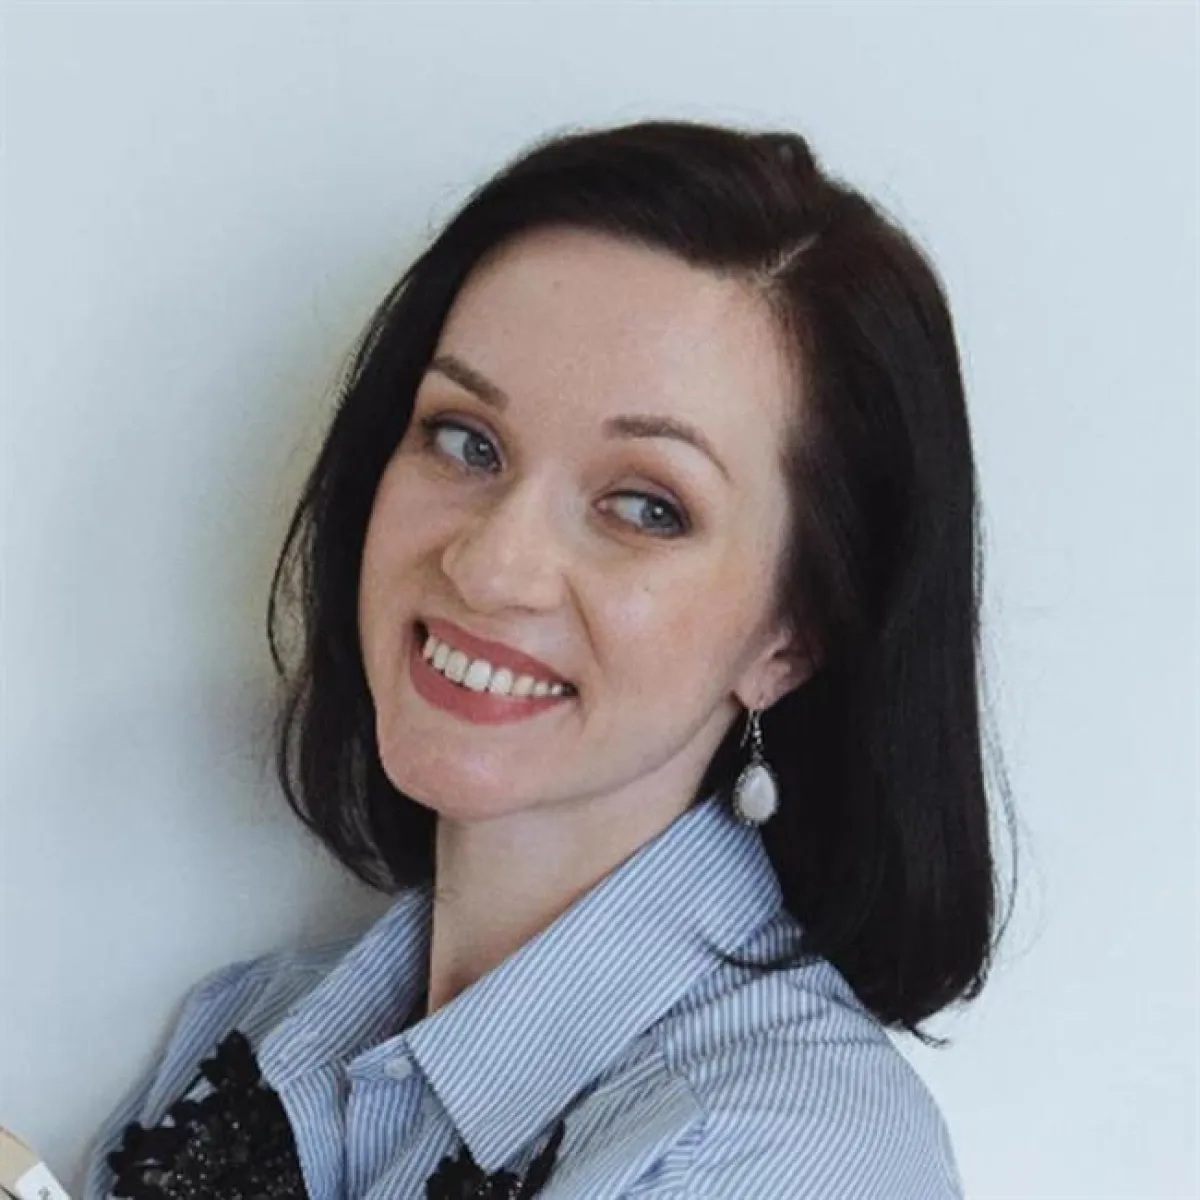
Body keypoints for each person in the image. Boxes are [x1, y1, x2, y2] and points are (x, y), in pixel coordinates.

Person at [79, 117, 1015, 1199]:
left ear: (791, 637)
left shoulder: (796, 1154)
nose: (490, 566)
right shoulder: (249, 1025)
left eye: (645, 506)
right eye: (465, 441)